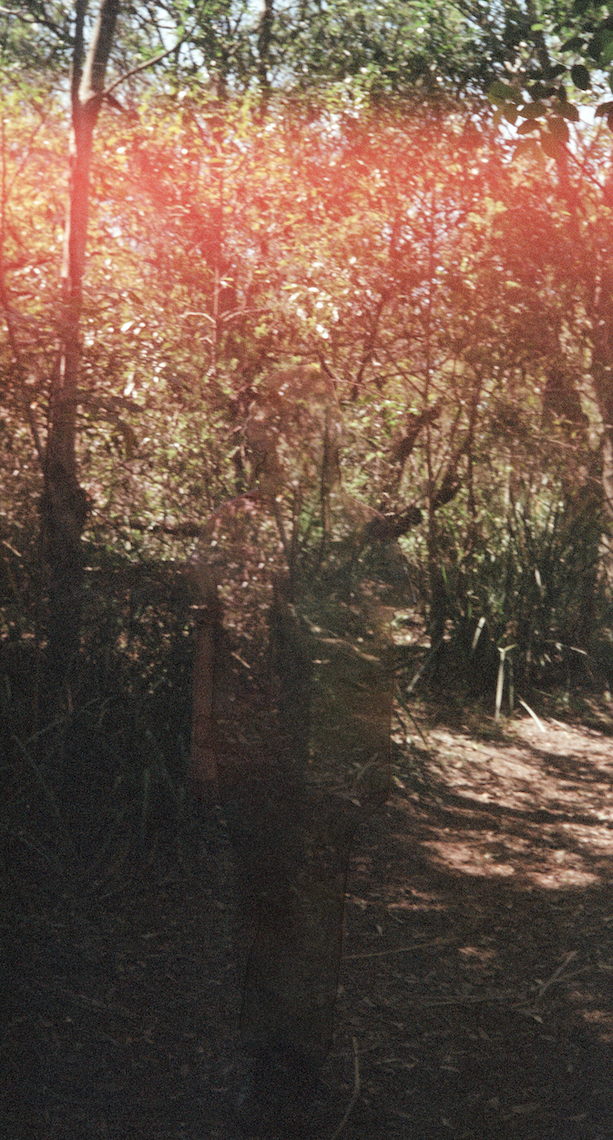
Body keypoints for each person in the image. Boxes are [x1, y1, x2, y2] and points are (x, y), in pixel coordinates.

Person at [188, 366, 407, 1133]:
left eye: (295, 426)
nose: (278, 441)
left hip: (328, 756)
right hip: (252, 747)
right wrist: (203, 738)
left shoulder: (349, 525)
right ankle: (260, 1056)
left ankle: (302, 1058)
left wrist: (372, 751)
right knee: (259, 903)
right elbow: (207, 631)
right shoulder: (230, 523)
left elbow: (377, 649)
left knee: (318, 908)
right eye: (265, 429)